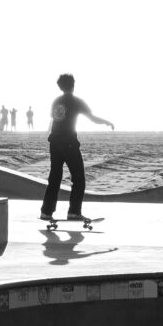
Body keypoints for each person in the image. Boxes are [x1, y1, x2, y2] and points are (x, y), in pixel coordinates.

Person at [41, 74, 114, 221]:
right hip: (68, 142)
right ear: (73, 84)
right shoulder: (76, 101)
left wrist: (51, 135)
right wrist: (107, 122)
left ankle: (46, 212)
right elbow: (92, 118)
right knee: (79, 178)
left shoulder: (56, 101)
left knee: (54, 178)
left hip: (54, 142)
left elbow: (54, 120)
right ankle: (74, 212)